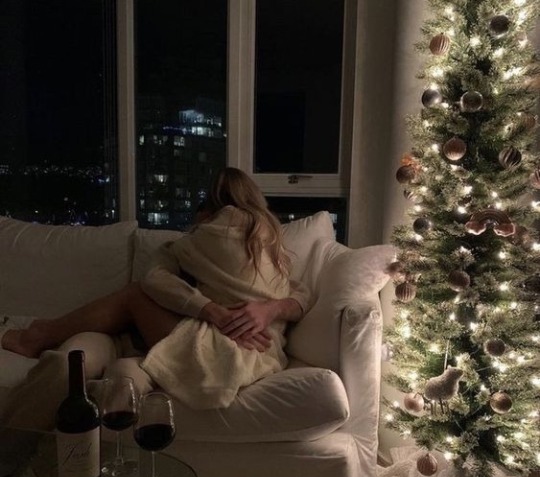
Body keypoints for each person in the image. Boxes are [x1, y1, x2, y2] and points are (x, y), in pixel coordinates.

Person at [0, 167, 310, 429]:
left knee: (133, 295)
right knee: (76, 358)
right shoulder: (273, 243)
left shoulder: (207, 236)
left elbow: (152, 279)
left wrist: (211, 310)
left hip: (224, 352)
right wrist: (272, 309)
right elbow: (301, 293)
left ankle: (38, 336)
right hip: (257, 355)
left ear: (212, 206)